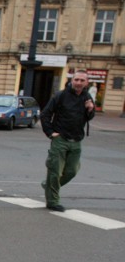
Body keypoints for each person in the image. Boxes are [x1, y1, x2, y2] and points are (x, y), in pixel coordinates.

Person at [41, 70, 95, 212]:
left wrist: (90, 109)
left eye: (82, 80)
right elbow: (45, 114)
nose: (78, 83)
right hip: (60, 139)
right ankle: (52, 201)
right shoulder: (61, 95)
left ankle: (48, 185)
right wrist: (51, 133)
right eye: (76, 80)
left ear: (86, 83)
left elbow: (89, 117)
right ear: (72, 80)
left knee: (71, 171)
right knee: (55, 171)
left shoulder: (87, 97)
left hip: (76, 140)